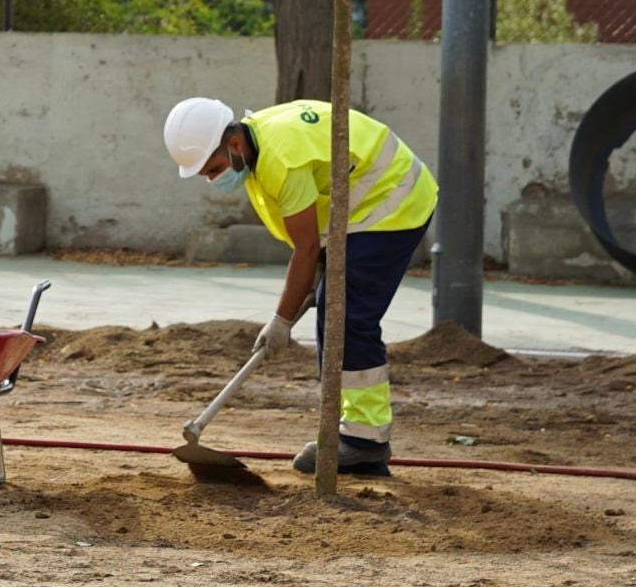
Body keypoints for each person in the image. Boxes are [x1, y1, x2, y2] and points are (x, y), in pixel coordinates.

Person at [163, 95, 438, 476]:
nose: (213, 180)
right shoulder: (258, 145)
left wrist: (281, 320)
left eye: (213, 169)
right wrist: (319, 268)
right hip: (361, 207)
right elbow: (311, 230)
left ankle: (364, 443)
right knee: (334, 311)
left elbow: (305, 248)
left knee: (346, 317)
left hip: (391, 200)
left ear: (235, 144)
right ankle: (356, 436)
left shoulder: (279, 158)